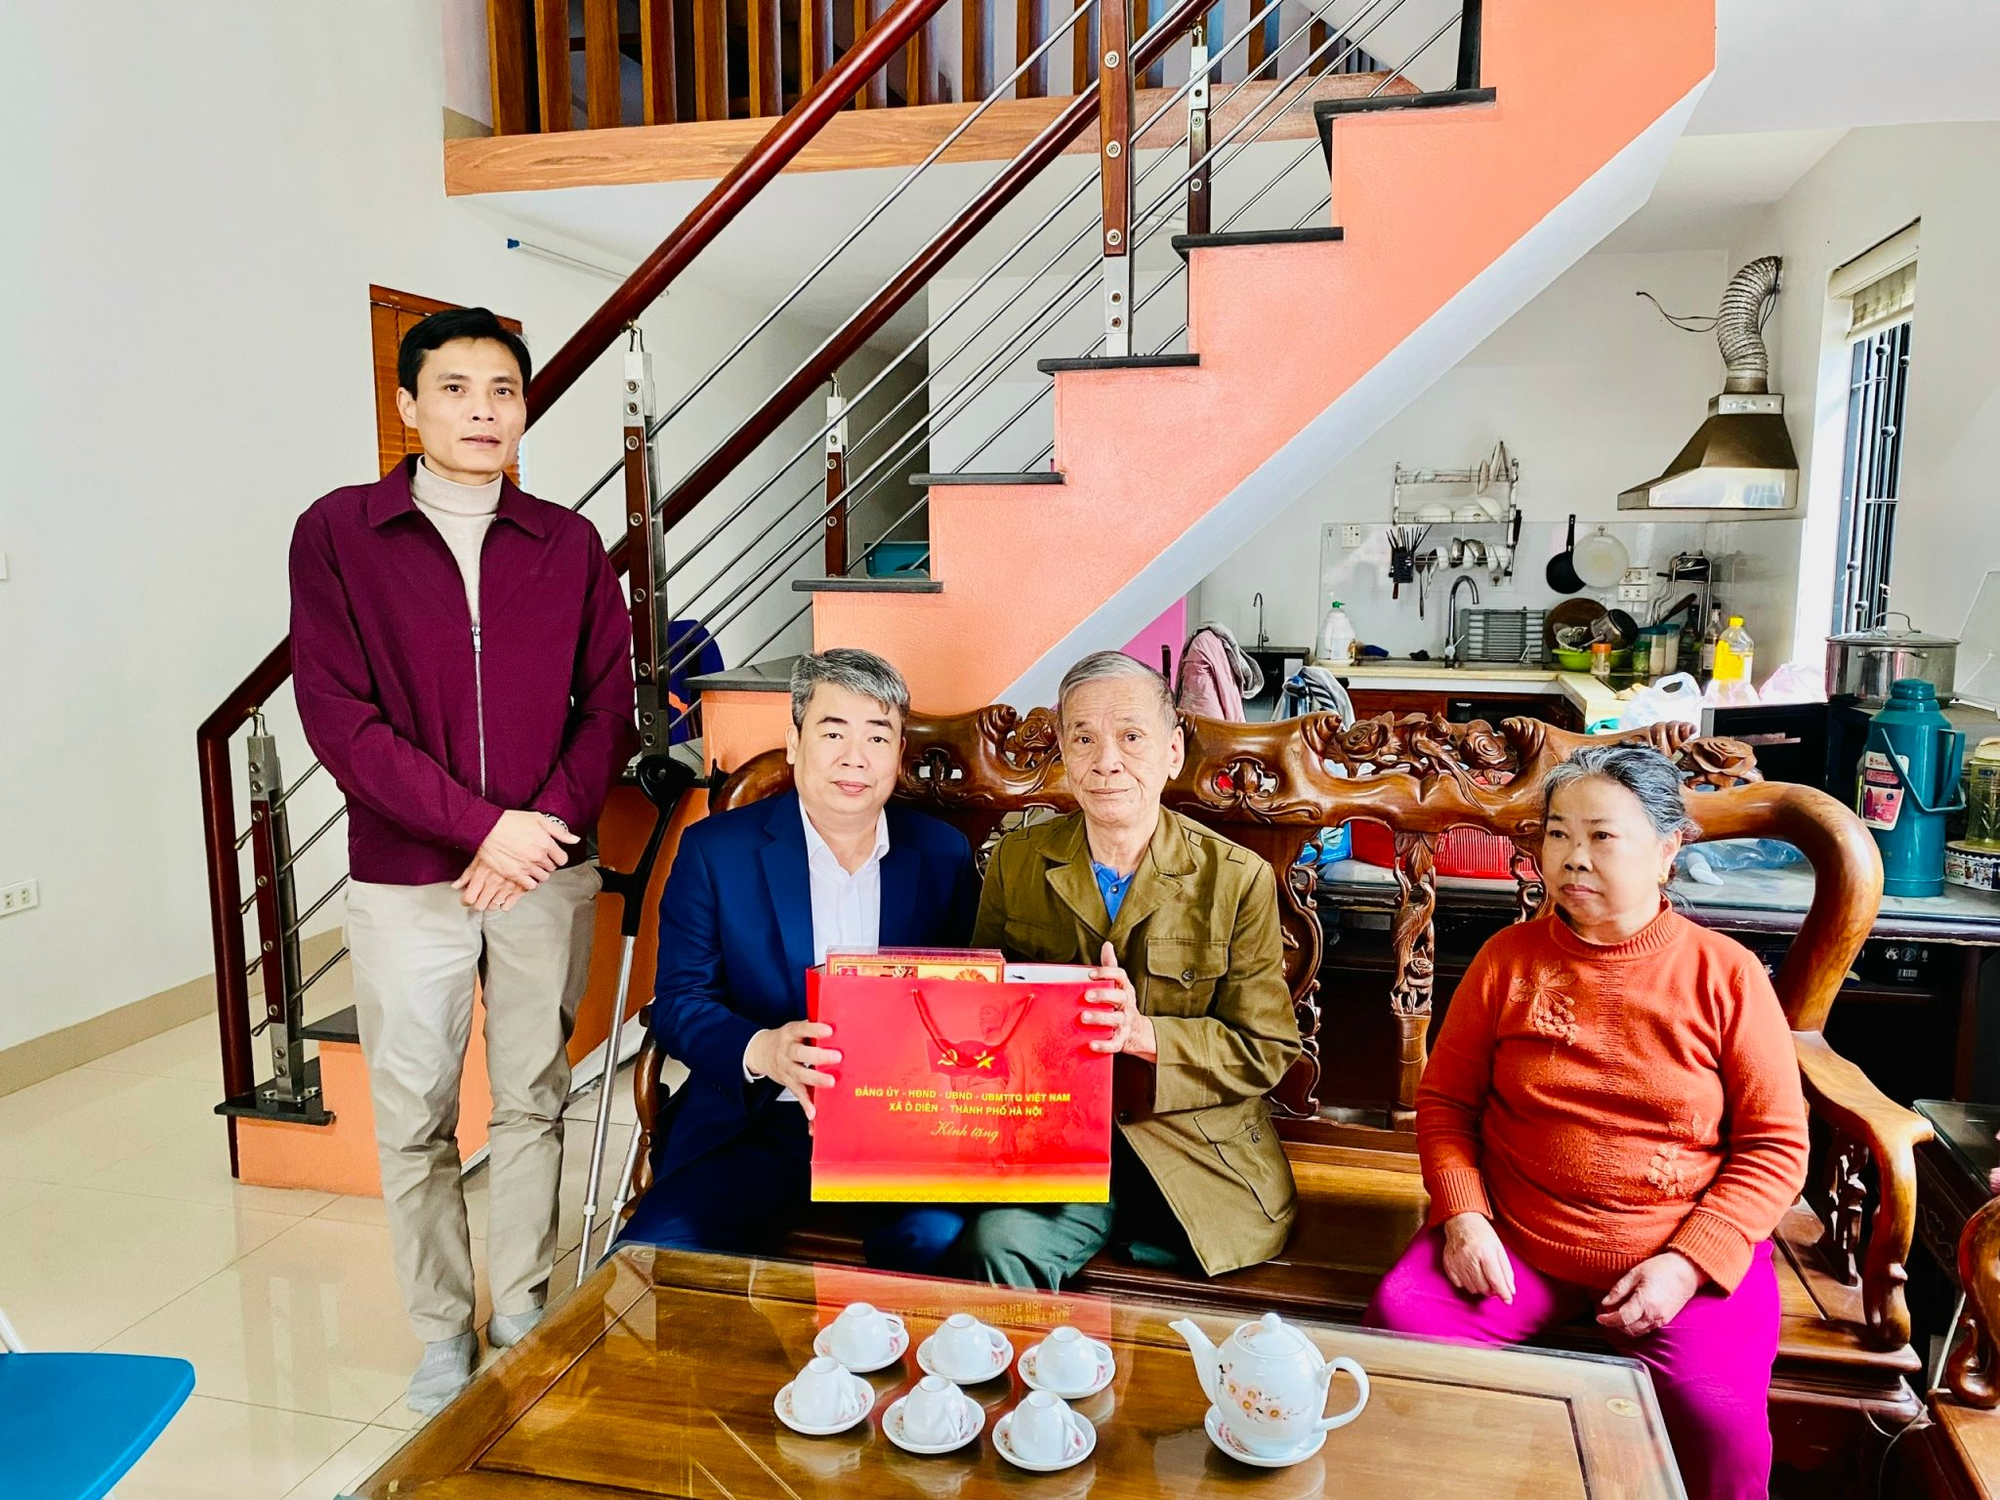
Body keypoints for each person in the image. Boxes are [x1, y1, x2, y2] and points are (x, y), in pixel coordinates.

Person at [291, 307, 636, 1413]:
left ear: (524, 407)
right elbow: (338, 715)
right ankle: (443, 1331)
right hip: (409, 878)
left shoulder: (567, 543)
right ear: (406, 405)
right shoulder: (340, 533)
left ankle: (524, 1304)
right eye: (454, 388)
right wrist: (480, 827)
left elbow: (609, 709)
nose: (481, 409)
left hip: (544, 867)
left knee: (533, 1096)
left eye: (501, 390)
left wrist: (534, 826)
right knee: (414, 1114)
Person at [1364, 743, 1808, 1500]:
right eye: (1558, 833)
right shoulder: (1508, 958)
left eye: (1602, 836)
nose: (1572, 857)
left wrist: (1687, 1263)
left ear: (1668, 850)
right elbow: (1445, 1105)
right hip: (1522, 1241)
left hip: (1675, 1254)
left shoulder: (1724, 973)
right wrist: (1465, 1218)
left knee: (1716, 1417)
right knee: (1402, 1327)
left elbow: (1774, 1147)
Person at [949, 650, 1301, 1289]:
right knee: (996, 1245)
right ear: (1062, 750)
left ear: (1172, 752)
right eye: (1083, 738)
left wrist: (1145, 1037)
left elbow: (1268, 1048)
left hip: (1195, 1151)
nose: (1106, 761)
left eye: (1132, 737)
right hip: (1054, 1139)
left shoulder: (1236, 877)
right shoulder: (1017, 860)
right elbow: (984, 1011)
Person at [620, 649, 982, 1267]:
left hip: (897, 1131)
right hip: (756, 1123)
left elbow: (970, 1004)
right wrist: (764, 1050)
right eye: (832, 731)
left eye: (877, 736)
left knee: (936, 1243)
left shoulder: (941, 855)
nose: (854, 757)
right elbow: (679, 1004)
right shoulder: (716, 852)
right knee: (661, 1254)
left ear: (898, 754)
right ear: (793, 742)